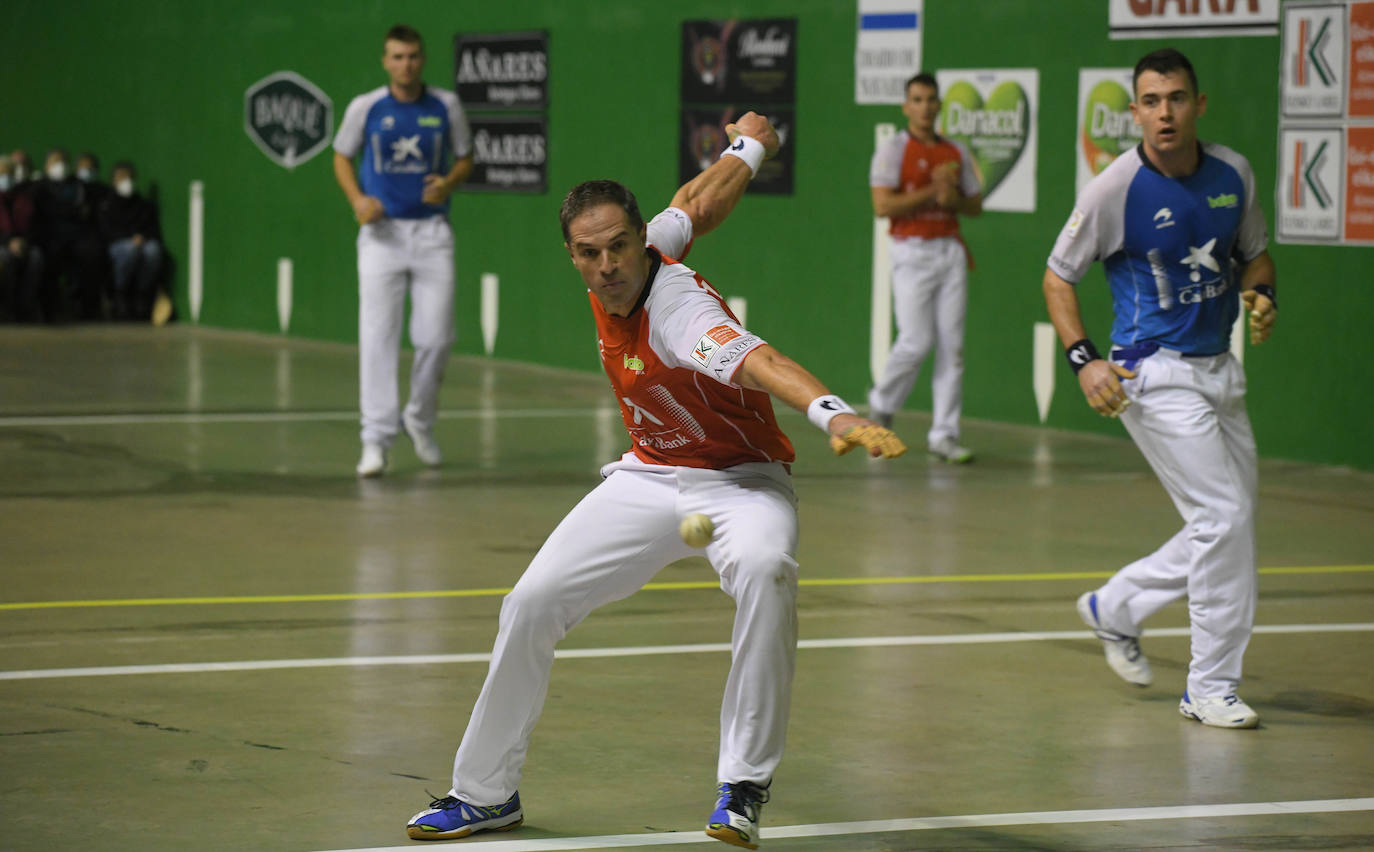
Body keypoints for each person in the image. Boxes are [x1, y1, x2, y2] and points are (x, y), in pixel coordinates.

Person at [404, 114, 906, 848]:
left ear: (640, 242)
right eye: (590, 253)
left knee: (768, 569)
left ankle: (742, 785)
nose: (608, 265)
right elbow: (699, 203)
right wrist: (752, 148)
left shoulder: (680, 313)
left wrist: (832, 414)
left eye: (618, 248)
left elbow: (758, 359)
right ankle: (485, 794)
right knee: (531, 602)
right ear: (573, 255)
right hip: (650, 475)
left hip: (742, 483)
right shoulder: (645, 244)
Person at [1042, 48, 1277, 729]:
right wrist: (1084, 360)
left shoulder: (1234, 173)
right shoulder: (1114, 188)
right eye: (1150, 101)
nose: (1164, 112)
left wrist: (1263, 294)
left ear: (1198, 105)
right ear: (1135, 111)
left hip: (1219, 371)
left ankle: (1115, 607)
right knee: (1223, 520)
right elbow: (1059, 277)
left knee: (1228, 524)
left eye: (1175, 98)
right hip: (1152, 372)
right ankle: (1209, 686)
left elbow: (1254, 254)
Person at [333, 23, 474, 477]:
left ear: (422, 59)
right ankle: (375, 439)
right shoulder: (366, 107)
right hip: (381, 238)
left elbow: (465, 157)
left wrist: (449, 182)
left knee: (436, 338)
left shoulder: (446, 105)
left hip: (433, 234)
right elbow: (341, 155)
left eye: (412, 56)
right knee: (378, 338)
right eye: (396, 56)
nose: (405, 64)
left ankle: (419, 418)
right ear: (385, 61)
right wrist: (358, 200)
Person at [868, 72, 983, 463]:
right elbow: (883, 206)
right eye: (917, 99)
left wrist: (952, 198)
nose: (925, 107)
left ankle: (944, 435)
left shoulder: (956, 152)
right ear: (906, 107)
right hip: (910, 251)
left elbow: (975, 205)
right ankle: (882, 403)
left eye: (931, 99)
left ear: (939, 105)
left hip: (949, 250)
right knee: (916, 341)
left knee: (953, 348)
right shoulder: (893, 150)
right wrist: (932, 192)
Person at [34, 147, 107, 320]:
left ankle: (88, 308)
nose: (60, 165)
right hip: (50, 236)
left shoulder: (78, 186)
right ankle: (49, 309)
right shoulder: (39, 188)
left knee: (93, 253)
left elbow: (85, 212)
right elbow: (46, 213)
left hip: (78, 235)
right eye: (55, 161)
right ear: (46, 166)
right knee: (48, 256)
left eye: (63, 161)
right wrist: (71, 211)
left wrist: (68, 212)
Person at [98, 160, 164, 321]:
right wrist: (129, 238)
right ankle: (120, 294)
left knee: (153, 250)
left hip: (142, 241)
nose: (126, 181)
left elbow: (152, 229)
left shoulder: (142, 205)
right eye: (121, 178)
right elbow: (106, 231)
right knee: (130, 249)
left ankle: (142, 295)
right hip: (118, 245)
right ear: (114, 181)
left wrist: (142, 237)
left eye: (129, 177)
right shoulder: (106, 204)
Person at [0, 155, 46, 322]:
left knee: (36, 257)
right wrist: (8, 242)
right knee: (4, 259)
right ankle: (7, 307)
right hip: (3, 245)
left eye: (9, 173)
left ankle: (26, 308)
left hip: (24, 243)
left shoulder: (25, 198)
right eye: (2, 173)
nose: (5, 177)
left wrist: (24, 242)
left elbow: (35, 224)